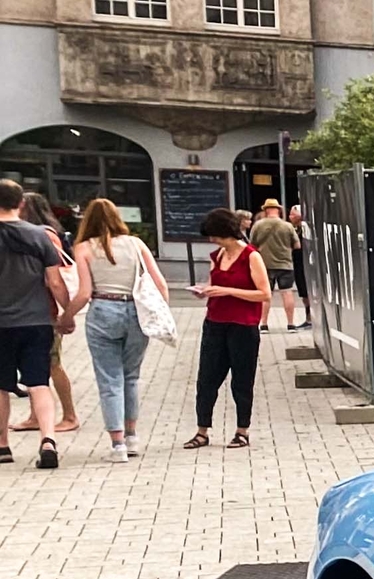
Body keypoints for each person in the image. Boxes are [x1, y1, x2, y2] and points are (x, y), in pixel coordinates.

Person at [71, 198, 167, 461]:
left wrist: (66, 317)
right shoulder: (136, 244)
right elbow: (160, 283)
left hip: (103, 310)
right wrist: (162, 315)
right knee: (131, 376)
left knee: (109, 379)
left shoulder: (83, 248)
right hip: (135, 311)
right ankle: (132, 436)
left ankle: (117, 445)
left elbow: (83, 293)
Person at [0, 181, 74, 468]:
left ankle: (3, 446)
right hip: (36, 321)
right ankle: (48, 440)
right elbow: (54, 281)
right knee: (39, 382)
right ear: (20, 204)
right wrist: (67, 314)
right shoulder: (40, 236)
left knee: (1, 387)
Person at [187, 208, 269, 450]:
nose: (212, 240)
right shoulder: (217, 255)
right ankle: (202, 431)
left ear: (227, 232)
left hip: (243, 325)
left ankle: (242, 430)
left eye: (216, 235)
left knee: (242, 380)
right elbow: (216, 284)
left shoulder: (251, 257)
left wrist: (228, 291)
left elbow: (264, 293)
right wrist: (205, 290)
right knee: (207, 379)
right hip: (215, 322)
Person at [251, 198, 302, 333]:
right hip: (285, 264)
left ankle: (264, 325)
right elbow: (297, 245)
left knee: (266, 294)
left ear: (266, 210)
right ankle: (290, 324)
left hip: (265, 264)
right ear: (278, 210)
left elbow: (252, 245)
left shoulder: (258, 225)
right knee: (287, 292)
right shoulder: (287, 226)